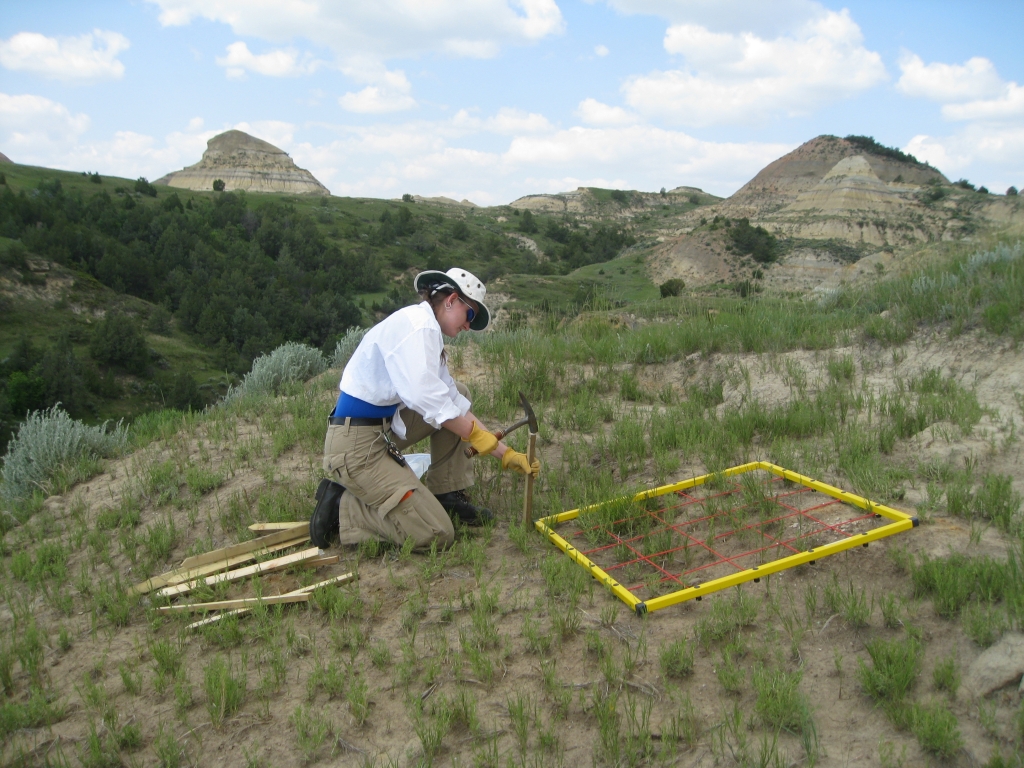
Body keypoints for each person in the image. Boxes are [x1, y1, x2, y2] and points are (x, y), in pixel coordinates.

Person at [310, 267, 540, 550]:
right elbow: (425, 397)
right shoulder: (419, 327)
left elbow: (452, 400)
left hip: (381, 430)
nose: (468, 326)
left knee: (458, 397)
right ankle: (342, 507)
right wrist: (475, 435)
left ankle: (447, 494)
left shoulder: (427, 329)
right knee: (437, 533)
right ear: (451, 300)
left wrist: (507, 455)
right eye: (470, 315)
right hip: (355, 447)